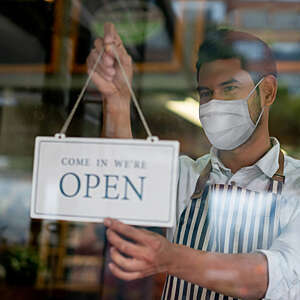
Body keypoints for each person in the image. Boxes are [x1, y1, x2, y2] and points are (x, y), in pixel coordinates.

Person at [87, 23, 300, 299]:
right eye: (205, 93)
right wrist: (116, 100)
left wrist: (169, 257)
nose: (214, 104)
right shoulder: (184, 175)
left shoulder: (296, 186)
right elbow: (122, 187)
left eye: (230, 88)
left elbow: (274, 276)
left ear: (268, 92)